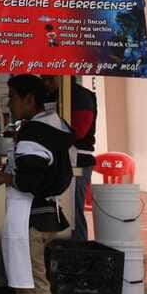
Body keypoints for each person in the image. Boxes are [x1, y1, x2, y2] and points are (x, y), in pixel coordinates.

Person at [0, 75, 73, 294]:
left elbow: (29, 180)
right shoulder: (54, 124)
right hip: (47, 214)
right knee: (30, 281)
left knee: (34, 285)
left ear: (29, 99)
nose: (9, 103)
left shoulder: (34, 133)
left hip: (32, 217)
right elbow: (24, 167)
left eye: (13, 97)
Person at [41, 75, 98, 241]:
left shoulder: (81, 97)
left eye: (50, 79)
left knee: (73, 214)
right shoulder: (50, 96)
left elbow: (79, 131)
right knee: (58, 212)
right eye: (43, 79)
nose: (46, 83)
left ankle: (79, 254)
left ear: (63, 76)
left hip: (78, 161)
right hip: (55, 160)